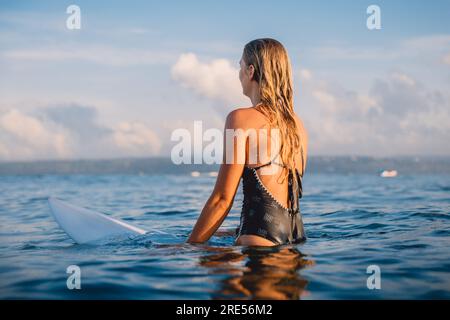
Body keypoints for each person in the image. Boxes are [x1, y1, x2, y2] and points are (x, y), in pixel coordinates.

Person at [187, 38, 308, 246]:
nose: (238, 73)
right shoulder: (298, 126)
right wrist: (233, 230)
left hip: (258, 240)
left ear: (251, 71)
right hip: (295, 238)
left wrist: (185, 247)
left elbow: (221, 200)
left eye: (240, 66)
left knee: (203, 265)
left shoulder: (240, 119)